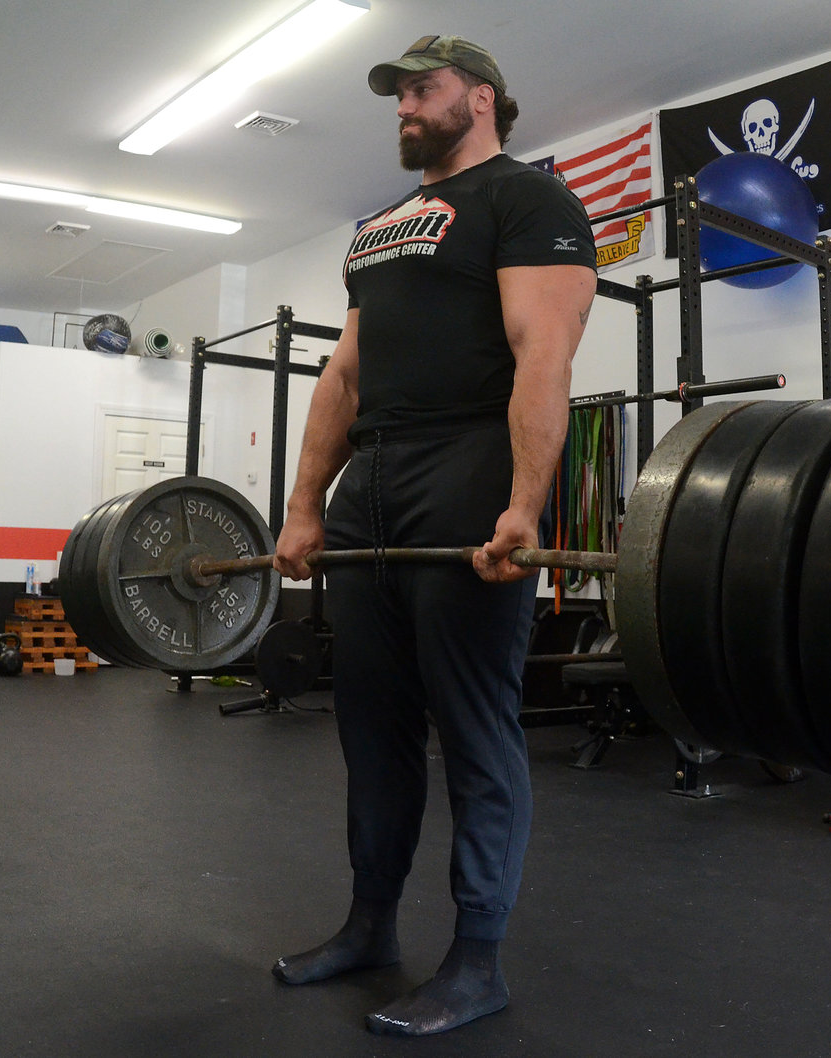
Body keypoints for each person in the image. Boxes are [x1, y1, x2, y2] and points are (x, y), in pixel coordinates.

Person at [270, 35, 597, 1036]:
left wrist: (521, 499)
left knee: (472, 722)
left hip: (469, 460)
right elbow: (343, 373)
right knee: (370, 720)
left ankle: (475, 956)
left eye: (422, 90)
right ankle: (370, 922)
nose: (403, 106)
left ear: (482, 100)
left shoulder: (527, 201)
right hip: (374, 476)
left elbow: (542, 351)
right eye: (397, 94)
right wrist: (302, 502)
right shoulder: (379, 228)